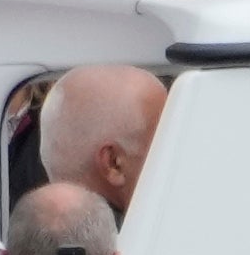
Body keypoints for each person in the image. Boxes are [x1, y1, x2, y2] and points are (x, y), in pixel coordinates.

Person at [36, 64, 171, 218]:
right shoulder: (165, 236)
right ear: (113, 163)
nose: (180, 151)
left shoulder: (30, 234)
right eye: (163, 138)